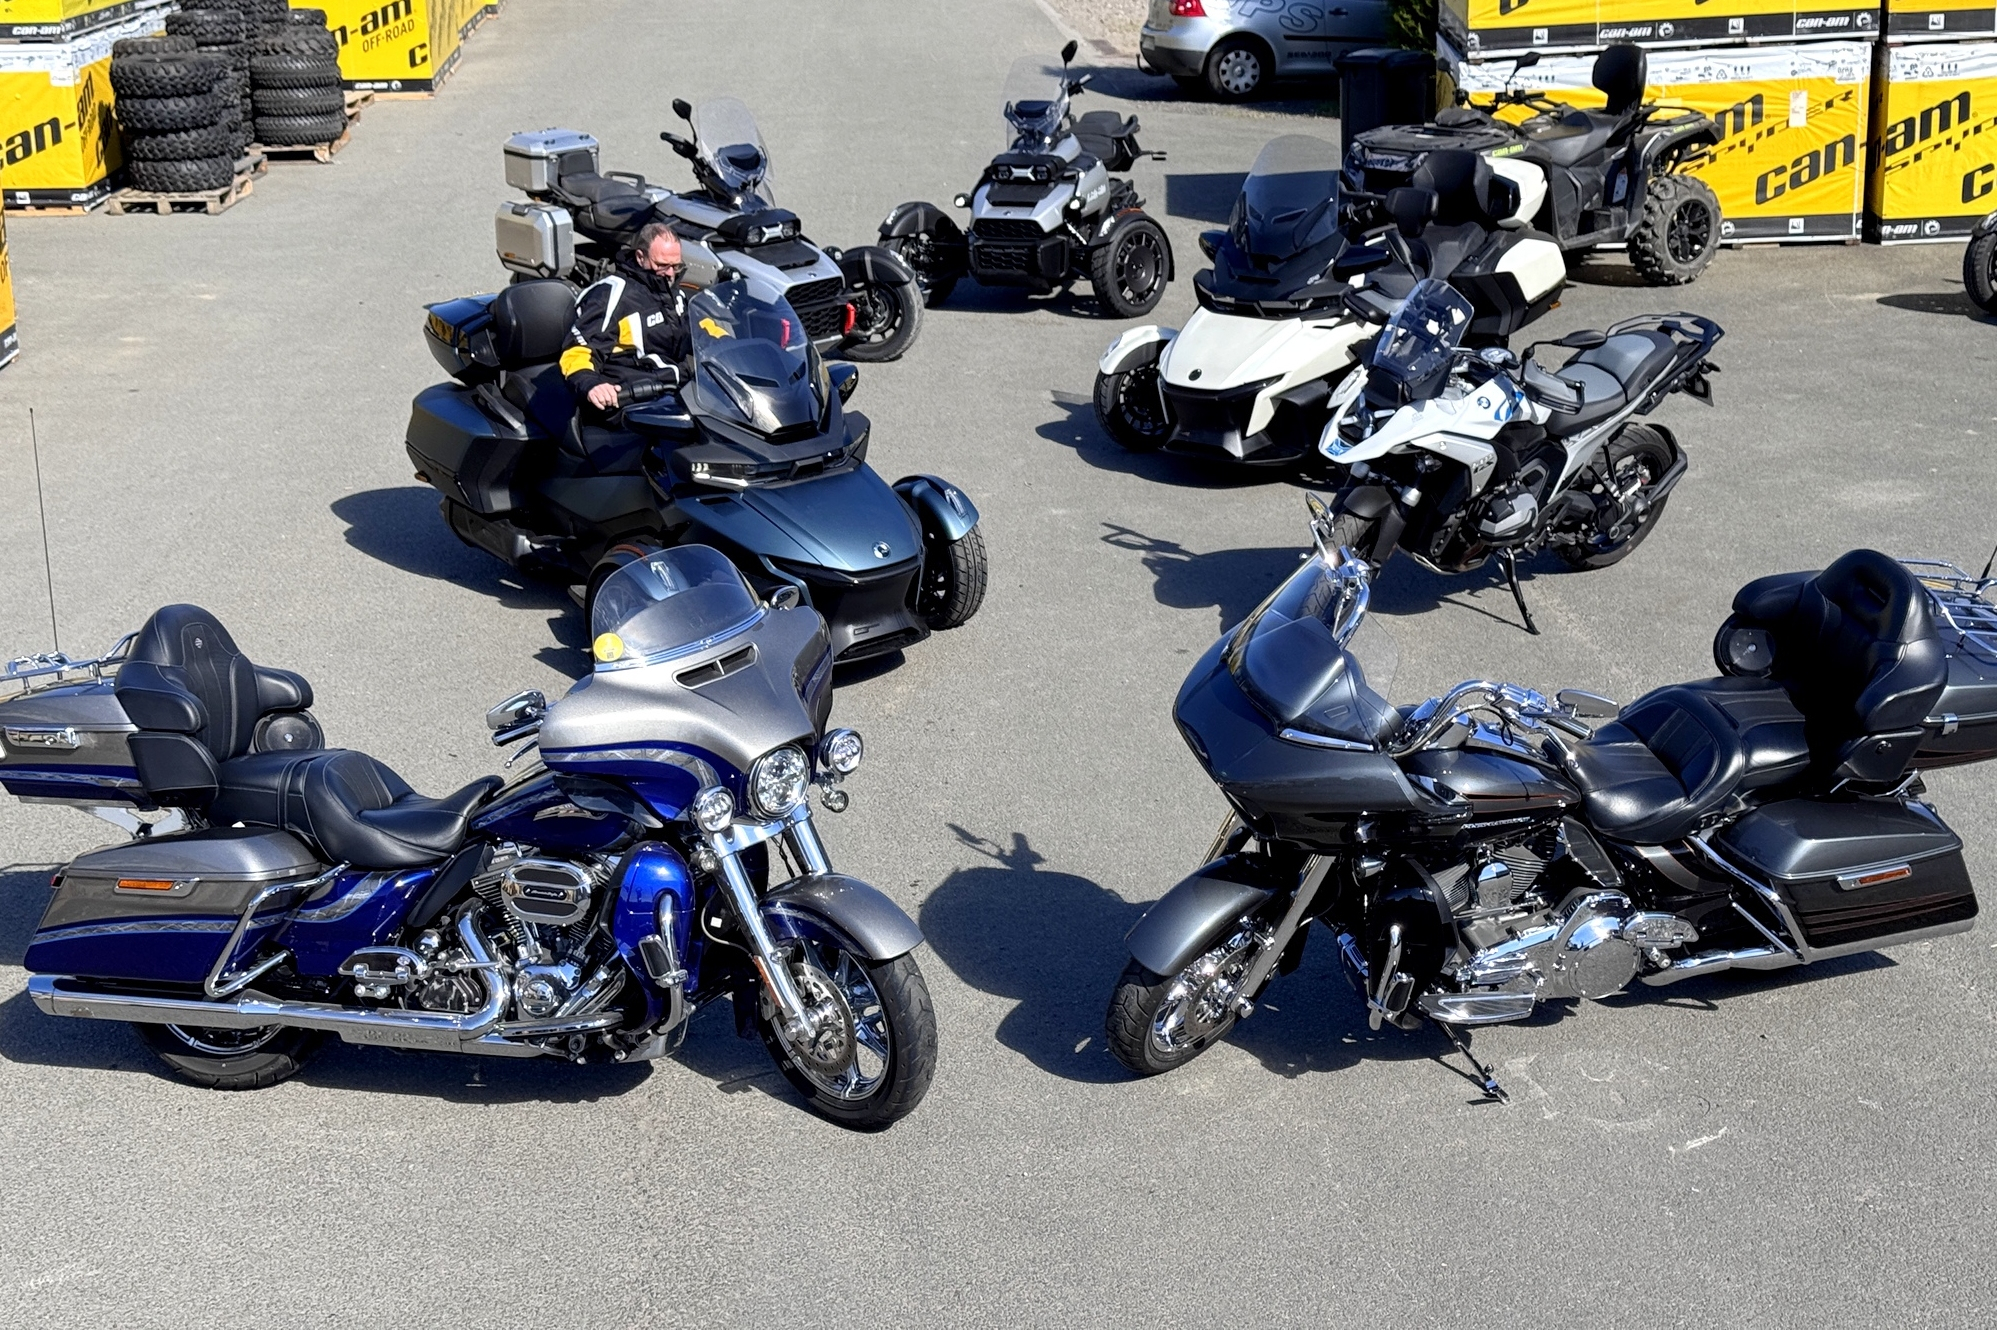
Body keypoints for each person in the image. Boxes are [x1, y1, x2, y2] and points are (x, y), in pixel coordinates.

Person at [560, 222, 692, 422]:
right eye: (662, 265)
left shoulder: (675, 294)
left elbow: (702, 330)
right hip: (630, 403)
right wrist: (591, 384)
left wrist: (730, 344)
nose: (670, 273)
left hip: (675, 392)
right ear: (640, 257)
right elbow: (578, 350)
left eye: (676, 266)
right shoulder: (611, 295)